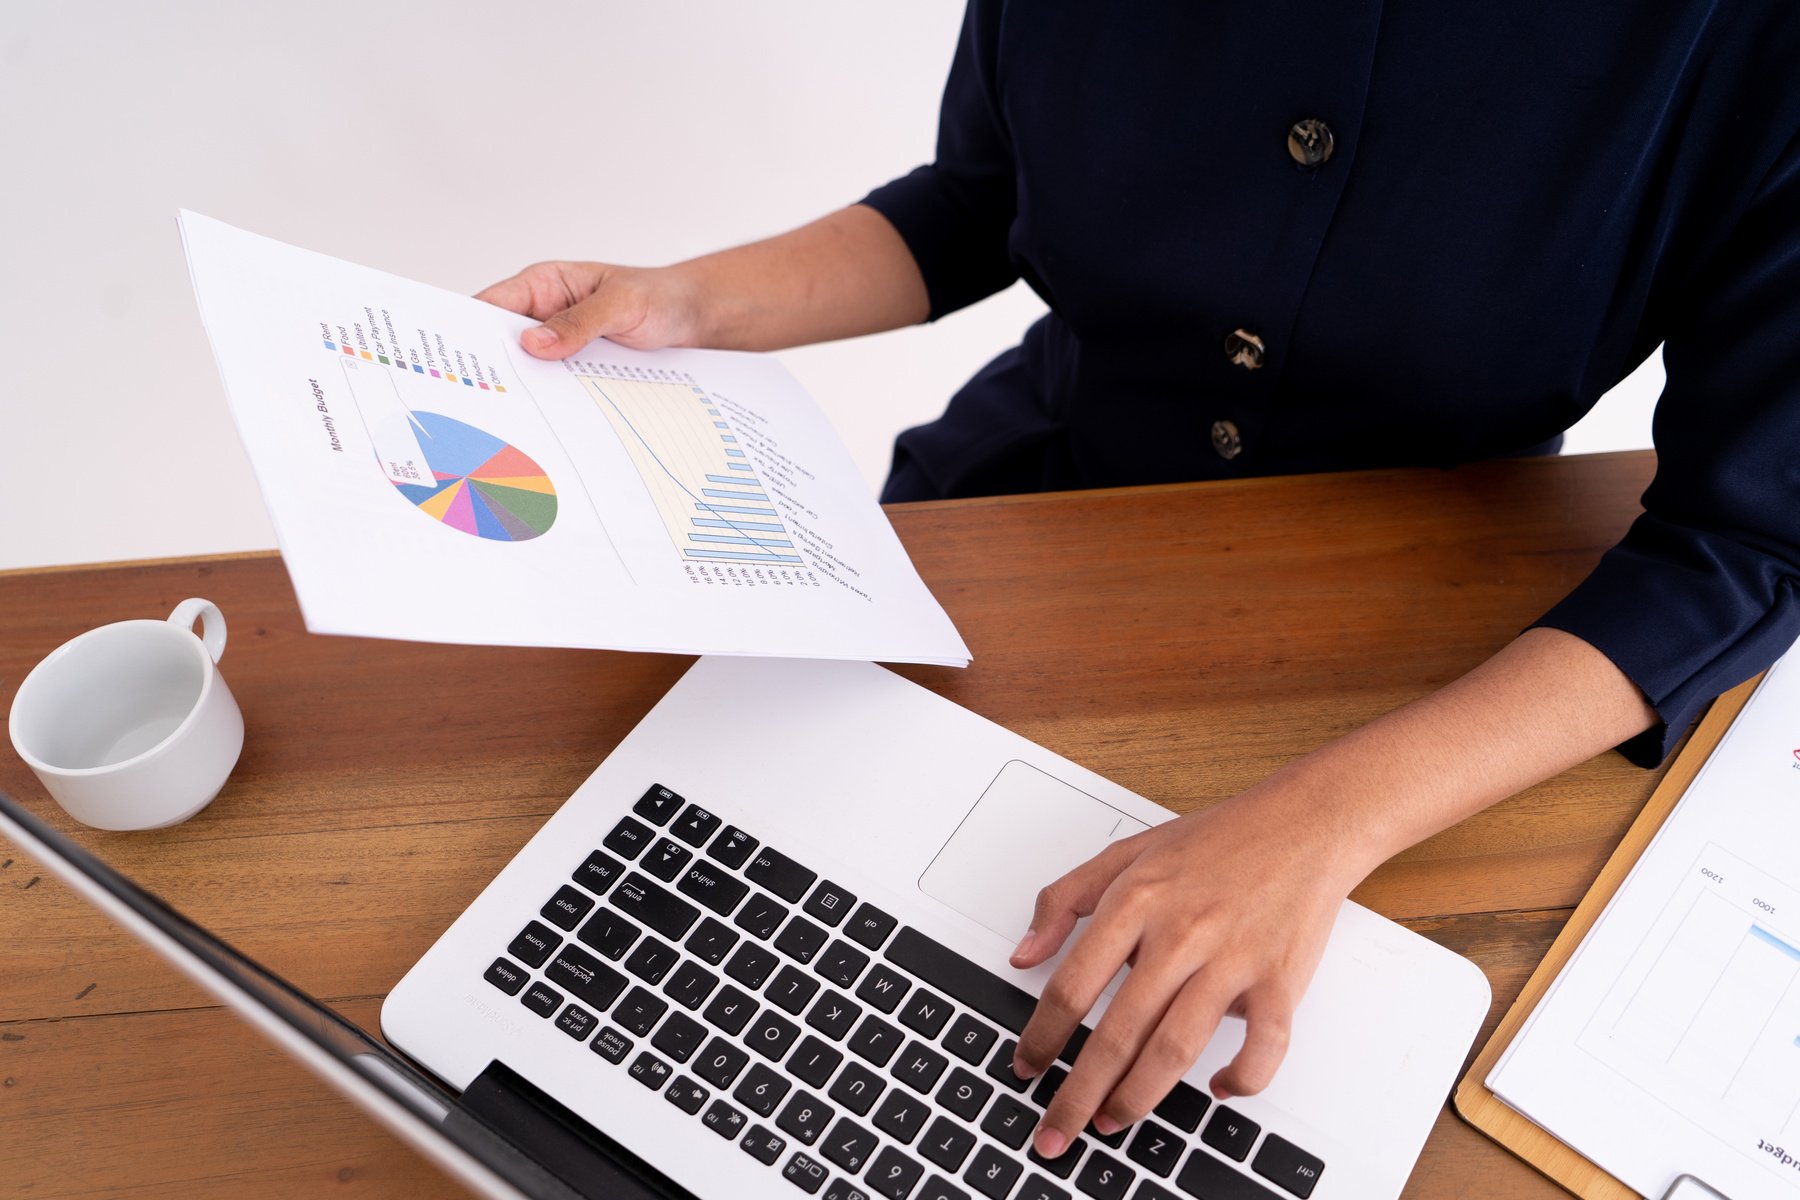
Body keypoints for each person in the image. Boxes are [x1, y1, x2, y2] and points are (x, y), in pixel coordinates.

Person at [479, 1, 1800, 1165]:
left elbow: (1746, 545)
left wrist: (1323, 823)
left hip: (1431, 681)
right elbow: (984, 198)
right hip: (1018, 528)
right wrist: (685, 305)